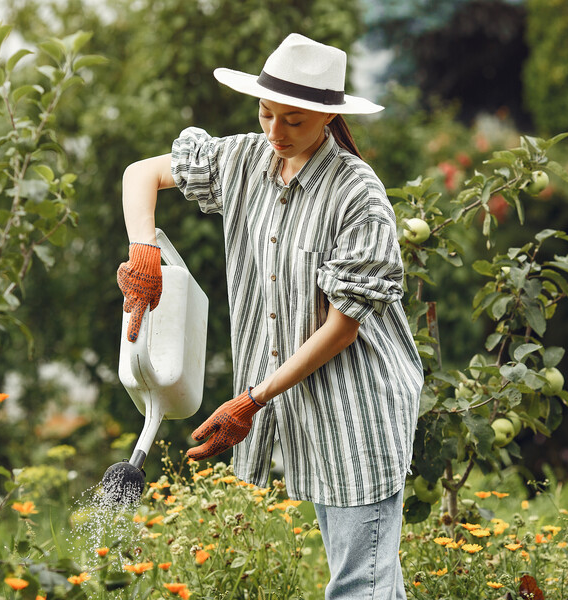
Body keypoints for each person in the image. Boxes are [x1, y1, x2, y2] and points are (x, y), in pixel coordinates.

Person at [117, 33, 424, 600]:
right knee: (364, 583)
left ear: (328, 117)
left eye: (294, 121)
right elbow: (141, 174)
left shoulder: (358, 194)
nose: (275, 133)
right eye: (266, 114)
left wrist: (252, 399)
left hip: (359, 408)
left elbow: (341, 327)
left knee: (362, 586)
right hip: (300, 403)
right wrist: (145, 252)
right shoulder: (242, 161)